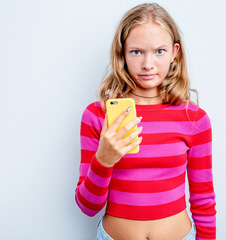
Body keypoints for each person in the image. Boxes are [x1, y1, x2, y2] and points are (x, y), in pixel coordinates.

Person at [75, 3, 216, 240]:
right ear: (122, 53)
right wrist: (104, 159)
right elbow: (88, 207)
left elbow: (203, 200)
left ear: (174, 52)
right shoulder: (98, 116)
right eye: (137, 52)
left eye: (159, 51)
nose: (148, 64)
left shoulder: (195, 119)